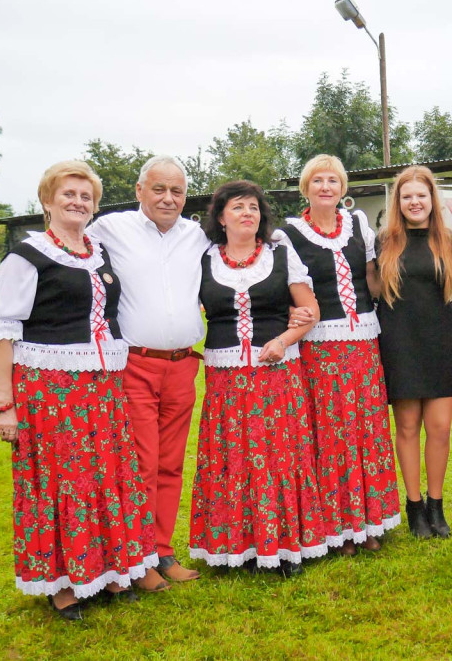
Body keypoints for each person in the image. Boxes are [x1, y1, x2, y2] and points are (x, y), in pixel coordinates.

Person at [0, 160, 155, 620]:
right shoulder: (27, 256)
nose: (78, 202)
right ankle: (62, 585)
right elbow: (2, 333)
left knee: (107, 477)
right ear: (47, 200)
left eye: (86, 196)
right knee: (62, 482)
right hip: (51, 389)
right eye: (68, 194)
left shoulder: (98, 253)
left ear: (94, 205)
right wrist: (5, 405)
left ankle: (110, 570)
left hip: (102, 388)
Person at [189, 180, 329, 574]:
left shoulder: (280, 254)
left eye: (253, 206)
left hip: (276, 371)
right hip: (226, 377)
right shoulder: (203, 259)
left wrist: (283, 340)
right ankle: (239, 547)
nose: (247, 213)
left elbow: (311, 311)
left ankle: (284, 546)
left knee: (279, 457)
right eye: (237, 207)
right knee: (235, 458)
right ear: (221, 217)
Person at [88, 155, 207, 590]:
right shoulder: (108, 228)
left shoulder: (197, 235)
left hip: (182, 366)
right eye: (159, 189)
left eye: (177, 191)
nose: (168, 198)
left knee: (171, 465)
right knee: (140, 464)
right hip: (134, 365)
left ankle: (162, 550)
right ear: (139, 191)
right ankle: (135, 559)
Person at [275, 154, 400, 555]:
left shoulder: (358, 224)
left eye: (332, 180)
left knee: (366, 429)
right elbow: (280, 287)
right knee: (330, 434)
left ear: (343, 187)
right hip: (319, 347)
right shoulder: (288, 235)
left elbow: (372, 280)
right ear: (306, 188)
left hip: (363, 341)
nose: (325, 187)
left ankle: (369, 520)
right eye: (318, 180)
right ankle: (336, 527)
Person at [376, 166, 452, 539]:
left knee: (440, 428)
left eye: (421, 195)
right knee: (407, 427)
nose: (415, 202)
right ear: (398, 202)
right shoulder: (384, 242)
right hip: (399, 342)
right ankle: (414, 506)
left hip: (438, 342)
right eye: (407, 196)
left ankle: (436, 504)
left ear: (433, 199)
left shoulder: (448, 241)